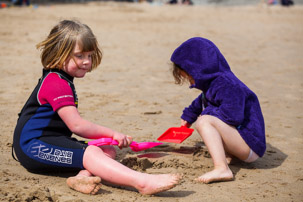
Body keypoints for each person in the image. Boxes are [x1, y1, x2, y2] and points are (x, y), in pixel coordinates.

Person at [13, 19, 182, 195]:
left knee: (107, 150)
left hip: (49, 141)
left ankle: (81, 177)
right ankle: (142, 182)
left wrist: (107, 141)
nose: (87, 61)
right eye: (80, 56)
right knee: (91, 153)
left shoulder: (60, 79)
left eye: (90, 55)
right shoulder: (57, 84)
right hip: (33, 147)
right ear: (58, 53)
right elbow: (77, 126)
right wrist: (112, 134)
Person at [169, 37, 266, 184]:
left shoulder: (228, 85)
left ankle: (222, 168)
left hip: (251, 145)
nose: (190, 81)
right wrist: (190, 115)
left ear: (200, 69)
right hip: (242, 142)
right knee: (206, 119)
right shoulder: (213, 83)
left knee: (205, 122)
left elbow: (233, 116)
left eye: (190, 77)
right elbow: (202, 99)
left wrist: (204, 115)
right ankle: (228, 156)